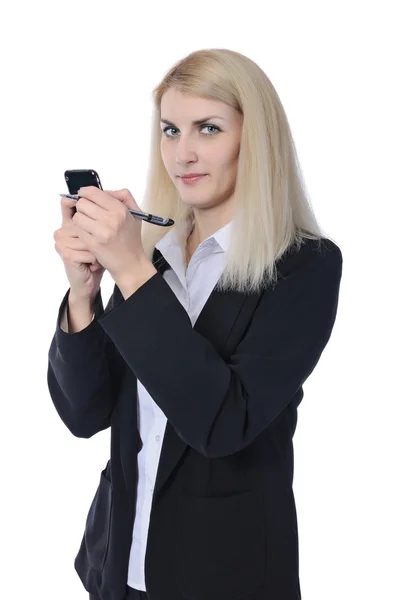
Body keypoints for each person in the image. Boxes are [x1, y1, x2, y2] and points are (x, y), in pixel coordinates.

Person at [47, 48, 343, 600]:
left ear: (255, 140)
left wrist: (130, 270)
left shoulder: (305, 266)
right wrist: (83, 291)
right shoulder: (155, 254)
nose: (182, 154)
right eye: (170, 130)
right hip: (118, 566)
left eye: (207, 129)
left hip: (225, 574)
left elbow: (222, 423)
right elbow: (86, 413)